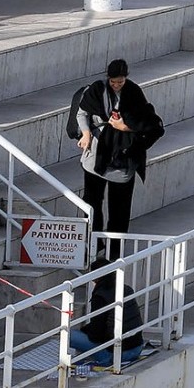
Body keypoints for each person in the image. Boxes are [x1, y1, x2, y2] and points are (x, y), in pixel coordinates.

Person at [65, 58, 162, 259]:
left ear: (126, 78)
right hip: (96, 157)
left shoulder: (134, 92)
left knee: (119, 210)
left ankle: (114, 251)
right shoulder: (97, 90)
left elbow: (147, 122)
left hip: (123, 160)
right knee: (92, 203)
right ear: (108, 78)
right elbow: (82, 113)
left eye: (120, 81)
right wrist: (85, 134)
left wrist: (124, 127)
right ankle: (92, 245)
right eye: (113, 81)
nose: (116, 85)